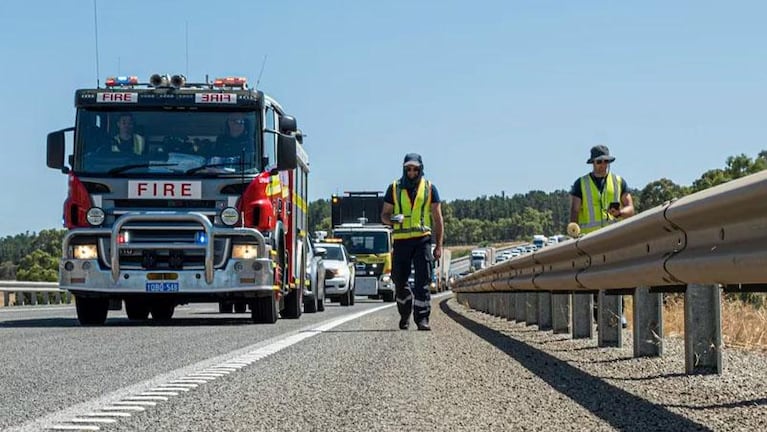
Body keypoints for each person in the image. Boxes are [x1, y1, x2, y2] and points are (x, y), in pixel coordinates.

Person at [569, 145, 635, 327]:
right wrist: (574, 232)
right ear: (592, 163)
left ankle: (618, 314)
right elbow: (575, 209)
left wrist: (620, 213)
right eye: (599, 161)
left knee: (616, 276)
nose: (603, 165)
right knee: (595, 278)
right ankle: (599, 317)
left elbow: (631, 208)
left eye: (606, 161)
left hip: (613, 238)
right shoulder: (580, 183)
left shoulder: (619, 181)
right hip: (589, 240)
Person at [381, 153, 444, 331]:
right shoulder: (393, 188)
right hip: (401, 241)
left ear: (420, 169)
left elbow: (438, 219)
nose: (411, 172)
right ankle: (404, 313)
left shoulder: (430, 188)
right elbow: (384, 216)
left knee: (423, 280)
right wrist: (392, 219)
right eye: (408, 168)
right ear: (404, 168)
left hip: (422, 239)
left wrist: (438, 245)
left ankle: (422, 318)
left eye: (415, 169)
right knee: (399, 281)